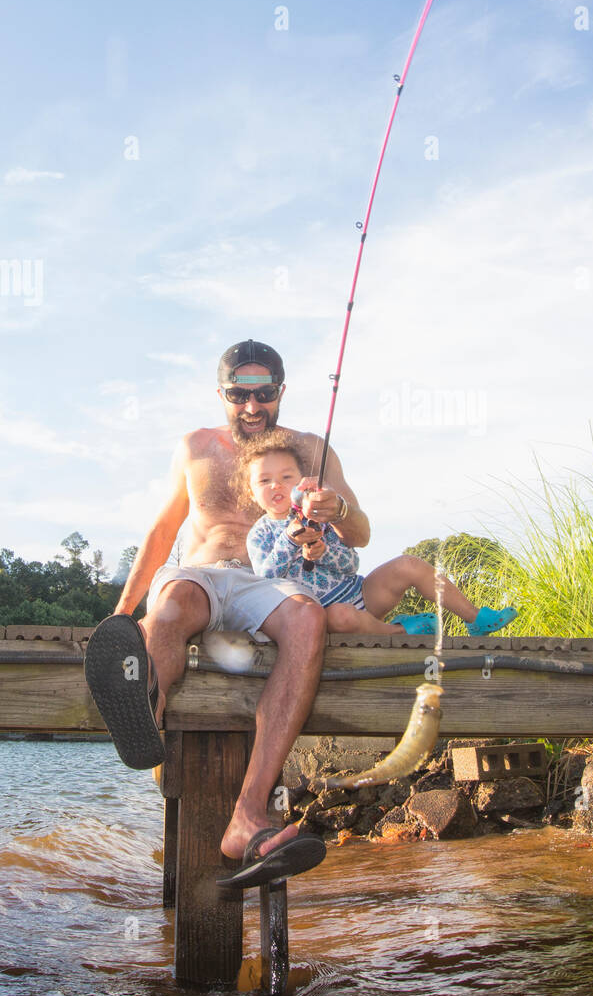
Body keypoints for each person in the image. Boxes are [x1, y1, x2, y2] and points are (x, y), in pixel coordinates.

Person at [84, 339, 368, 889]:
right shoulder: (195, 446)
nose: (253, 406)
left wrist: (341, 510)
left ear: (281, 392)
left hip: (274, 582)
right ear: (222, 394)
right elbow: (164, 530)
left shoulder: (313, 451)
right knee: (168, 607)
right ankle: (148, 715)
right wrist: (120, 617)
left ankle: (248, 816)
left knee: (308, 619)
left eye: (265, 393)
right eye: (240, 394)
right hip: (202, 576)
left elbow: (359, 533)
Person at [239, 430, 517, 637]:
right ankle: (400, 632)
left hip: (360, 593)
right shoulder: (259, 534)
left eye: (286, 477)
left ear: (301, 482)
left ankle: (475, 618)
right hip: (327, 616)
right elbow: (266, 579)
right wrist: (289, 541)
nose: (276, 485)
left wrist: (324, 552)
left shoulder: (318, 514)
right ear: (251, 492)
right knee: (341, 617)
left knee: (408, 564)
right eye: (264, 480)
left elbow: (351, 564)